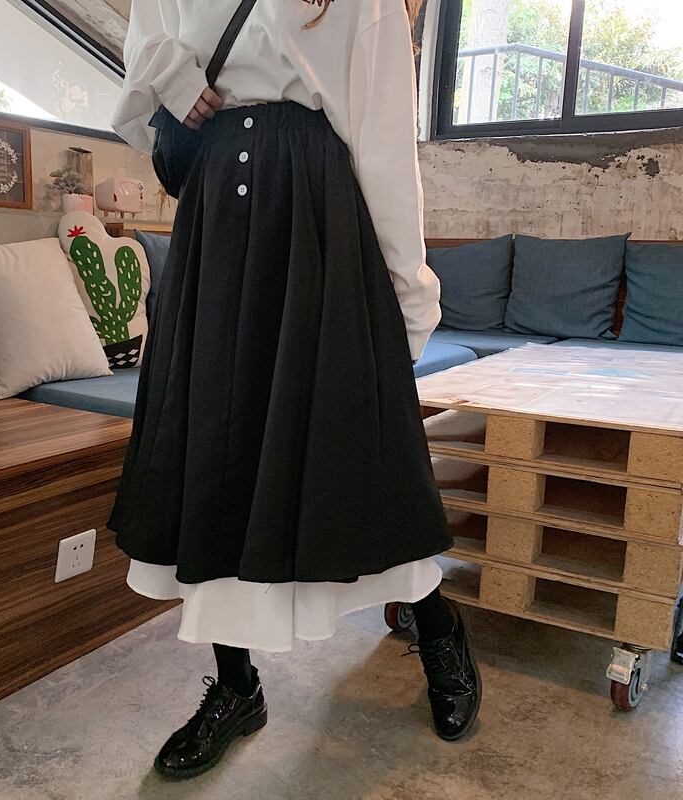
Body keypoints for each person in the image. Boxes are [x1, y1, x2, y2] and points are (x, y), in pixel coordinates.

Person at [109, 0, 481, 780]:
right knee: (215, 449)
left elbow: (382, 137)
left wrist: (409, 294)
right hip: (215, 208)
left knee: (356, 450)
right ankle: (236, 687)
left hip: (316, 215)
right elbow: (144, 54)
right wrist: (168, 72)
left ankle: (437, 627)